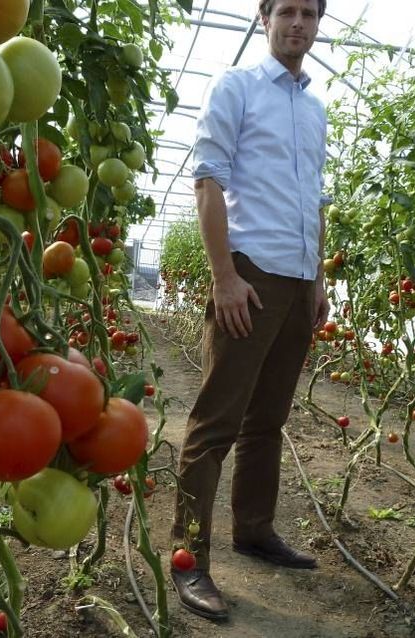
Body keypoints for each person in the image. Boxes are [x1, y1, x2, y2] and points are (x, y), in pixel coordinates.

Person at [169, 0, 330, 622]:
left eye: (310, 14)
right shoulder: (236, 86)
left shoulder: (314, 110)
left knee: (268, 420)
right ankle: (189, 559)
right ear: (265, 18)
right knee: (217, 421)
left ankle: (254, 529)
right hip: (251, 275)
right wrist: (224, 277)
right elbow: (208, 179)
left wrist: (316, 281)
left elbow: (315, 199)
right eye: (286, 11)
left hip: (296, 284)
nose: (298, 24)